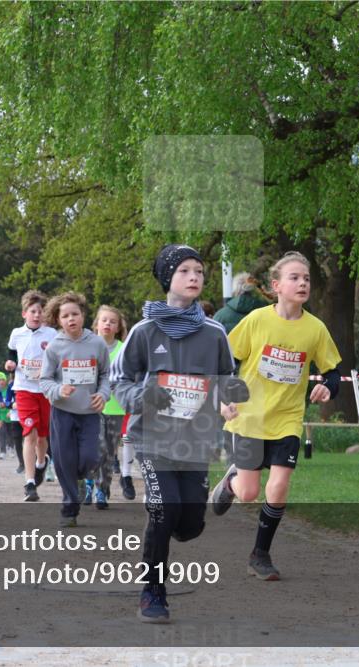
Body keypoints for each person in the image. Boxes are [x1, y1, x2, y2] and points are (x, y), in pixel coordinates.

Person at [111, 244, 248, 623]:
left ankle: (165, 520)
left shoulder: (214, 332)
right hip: (152, 439)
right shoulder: (144, 330)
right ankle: (152, 589)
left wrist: (226, 400)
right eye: (186, 270)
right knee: (164, 508)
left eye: (199, 272)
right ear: (168, 278)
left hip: (195, 441)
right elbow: (119, 381)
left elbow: (226, 377)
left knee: (189, 525)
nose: (194, 277)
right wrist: (145, 395)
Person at [209, 251, 342, 581]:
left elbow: (333, 371)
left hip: (288, 419)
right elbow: (223, 361)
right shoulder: (256, 321)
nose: (302, 283)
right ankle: (230, 483)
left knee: (279, 487)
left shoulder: (316, 328)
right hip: (249, 418)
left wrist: (328, 387)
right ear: (276, 285)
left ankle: (260, 554)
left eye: (306, 279)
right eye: (294, 278)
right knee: (250, 492)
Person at [39, 292, 110, 527]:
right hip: (62, 412)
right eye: (66, 316)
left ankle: (80, 479)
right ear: (58, 320)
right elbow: (45, 380)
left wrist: (103, 394)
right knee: (63, 460)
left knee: (90, 457)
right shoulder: (54, 347)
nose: (71, 319)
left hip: (89, 411)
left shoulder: (97, 343)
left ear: (83, 316)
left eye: (75, 314)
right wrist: (59, 390)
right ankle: (69, 508)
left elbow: (106, 375)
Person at [5, 290, 57, 502]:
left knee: (42, 438)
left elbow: (57, 359)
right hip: (24, 388)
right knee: (30, 433)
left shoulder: (52, 334)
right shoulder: (17, 334)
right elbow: (11, 354)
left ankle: (41, 463)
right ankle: (29, 483)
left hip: (44, 390)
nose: (37, 315)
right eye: (33, 311)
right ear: (24, 313)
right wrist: (10, 365)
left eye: (41, 311)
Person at [92, 304, 130, 506]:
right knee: (95, 448)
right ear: (96, 323)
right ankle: (89, 481)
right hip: (91, 407)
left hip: (115, 407)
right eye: (104, 320)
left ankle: (102, 489)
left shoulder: (124, 350)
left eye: (112, 321)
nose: (107, 324)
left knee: (108, 452)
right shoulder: (86, 346)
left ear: (118, 327)